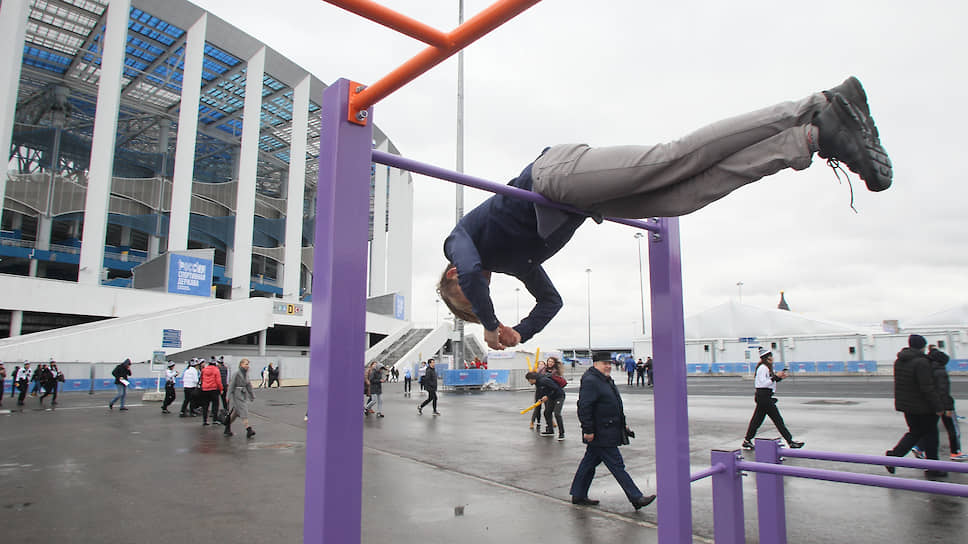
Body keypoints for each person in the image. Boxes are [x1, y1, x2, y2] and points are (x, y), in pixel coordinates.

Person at [437, 77, 892, 351]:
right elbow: (552, 302)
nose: (480, 306)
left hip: (553, 176)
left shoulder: (461, 241)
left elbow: (474, 272)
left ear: (454, 276)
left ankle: (814, 104)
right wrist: (522, 330)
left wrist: (493, 325)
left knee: (673, 158)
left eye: (471, 307)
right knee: (683, 198)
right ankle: (812, 138)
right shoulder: (516, 264)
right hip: (582, 202)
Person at [569, 355, 656, 510]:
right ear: (596, 364)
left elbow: (614, 405)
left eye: (609, 363)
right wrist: (588, 430)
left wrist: (623, 426)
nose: (608, 366)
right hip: (601, 432)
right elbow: (584, 407)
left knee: (589, 463)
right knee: (617, 465)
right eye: (605, 363)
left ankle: (578, 494)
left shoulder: (604, 379)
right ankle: (636, 497)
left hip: (608, 429)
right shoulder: (591, 380)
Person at [885, 334, 947, 477]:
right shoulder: (921, 362)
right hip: (924, 407)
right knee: (931, 437)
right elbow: (927, 387)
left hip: (907, 405)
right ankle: (932, 468)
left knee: (915, 433)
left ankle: (894, 457)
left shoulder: (900, 361)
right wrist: (938, 407)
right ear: (922, 346)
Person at [911, 347, 967, 461]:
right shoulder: (941, 372)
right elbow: (943, 391)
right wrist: (948, 407)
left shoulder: (928, 369)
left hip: (932, 404)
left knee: (929, 428)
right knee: (952, 428)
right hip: (943, 405)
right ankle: (955, 451)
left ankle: (919, 447)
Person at [741, 349, 804, 450]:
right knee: (778, 420)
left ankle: (747, 441)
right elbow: (763, 383)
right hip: (764, 397)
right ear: (767, 358)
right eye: (771, 356)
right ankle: (790, 441)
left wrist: (780, 377)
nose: (773, 358)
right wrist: (775, 377)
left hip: (764, 397)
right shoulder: (763, 368)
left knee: (756, 421)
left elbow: (769, 382)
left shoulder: (766, 368)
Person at [526, 369, 565, 440]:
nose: (529, 382)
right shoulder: (537, 383)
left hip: (559, 396)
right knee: (547, 412)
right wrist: (540, 399)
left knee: (557, 413)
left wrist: (547, 396)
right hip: (551, 397)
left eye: (529, 380)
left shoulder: (544, 380)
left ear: (532, 379)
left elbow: (555, 388)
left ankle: (561, 433)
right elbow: (540, 392)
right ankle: (550, 430)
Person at [224, 358, 256, 438]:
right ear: (241, 364)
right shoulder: (237, 374)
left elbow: (249, 386)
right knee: (243, 411)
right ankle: (249, 429)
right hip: (237, 395)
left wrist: (252, 395)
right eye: (246, 364)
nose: (247, 366)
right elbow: (231, 385)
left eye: (248, 364)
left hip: (243, 395)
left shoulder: (246, 374)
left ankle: (227, 426)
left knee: (235, 414)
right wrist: (228, 396)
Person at [199, 360, 223, 426]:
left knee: (205, 405)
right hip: (213, 389)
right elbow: (218, 381)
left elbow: (201, 378)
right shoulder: (216, 370)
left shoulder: (204, 370)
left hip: (205, 389)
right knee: (215, 405)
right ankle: (214, 420)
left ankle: (204, 420)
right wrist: (221, 389)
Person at [529, 360, 548, 430]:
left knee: (548, 408)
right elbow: (531, 382)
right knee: (537, 408)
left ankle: (550, 421)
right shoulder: (535, 373)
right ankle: (533, 422)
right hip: (539, 392)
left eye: (542, 364)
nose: (541, 366)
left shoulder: (546, 372)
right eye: (539, 364)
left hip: (546, 392)